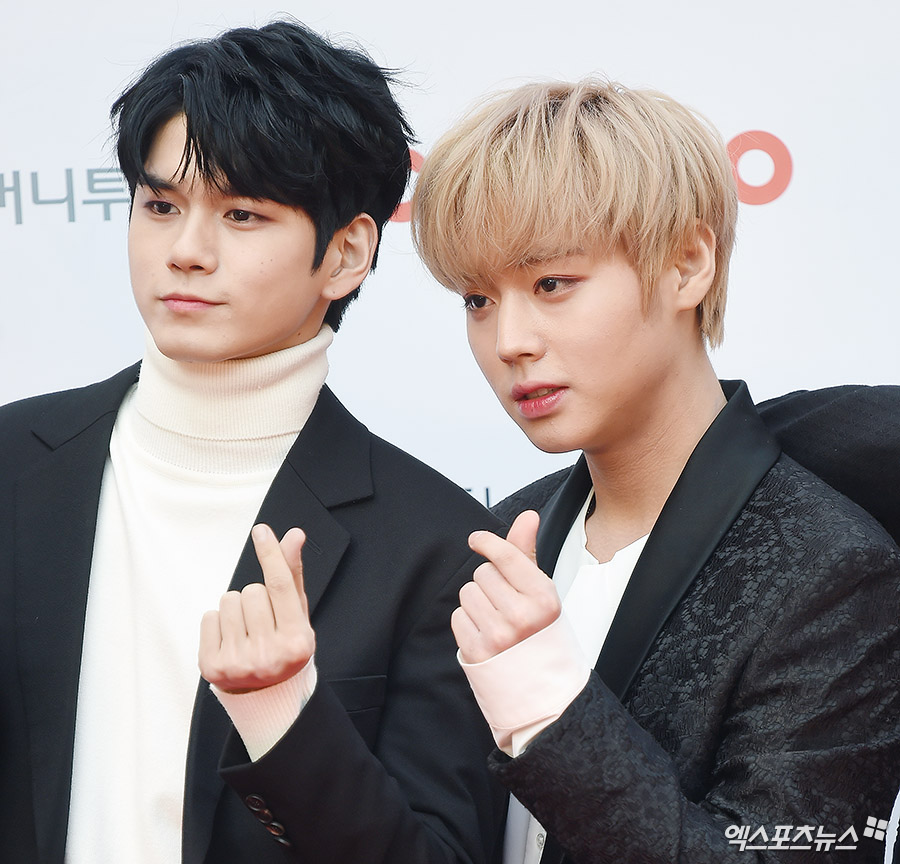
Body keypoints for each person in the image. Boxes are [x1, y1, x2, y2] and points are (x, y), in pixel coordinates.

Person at [0, 21, 506, 864]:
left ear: (346, 253)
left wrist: (289, 720)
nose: (186, 252)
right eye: (161, 206)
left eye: (241, 214)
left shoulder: (437, 551)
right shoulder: (14, 465)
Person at [412, 79, 900, 863]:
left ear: (687, 265)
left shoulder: (832, 569)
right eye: (477, 300)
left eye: (550, 284)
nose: (509, 341)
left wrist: (549, 709)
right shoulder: (497, 543)